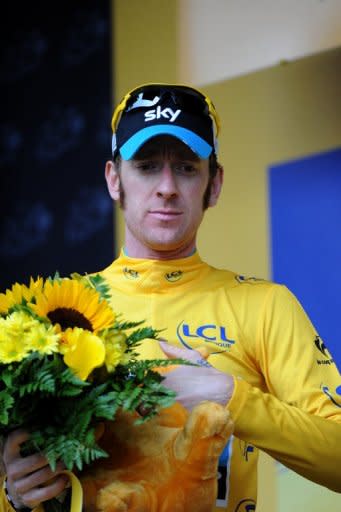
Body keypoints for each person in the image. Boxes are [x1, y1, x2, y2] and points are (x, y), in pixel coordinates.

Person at [1, 83, 341, 512]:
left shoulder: (265, 305)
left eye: (185, 167)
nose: (166, 187)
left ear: (213, 185)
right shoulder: (51, 314)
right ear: (114, 179)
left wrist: (229, 397)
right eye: (145, 166)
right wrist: (12, 494)